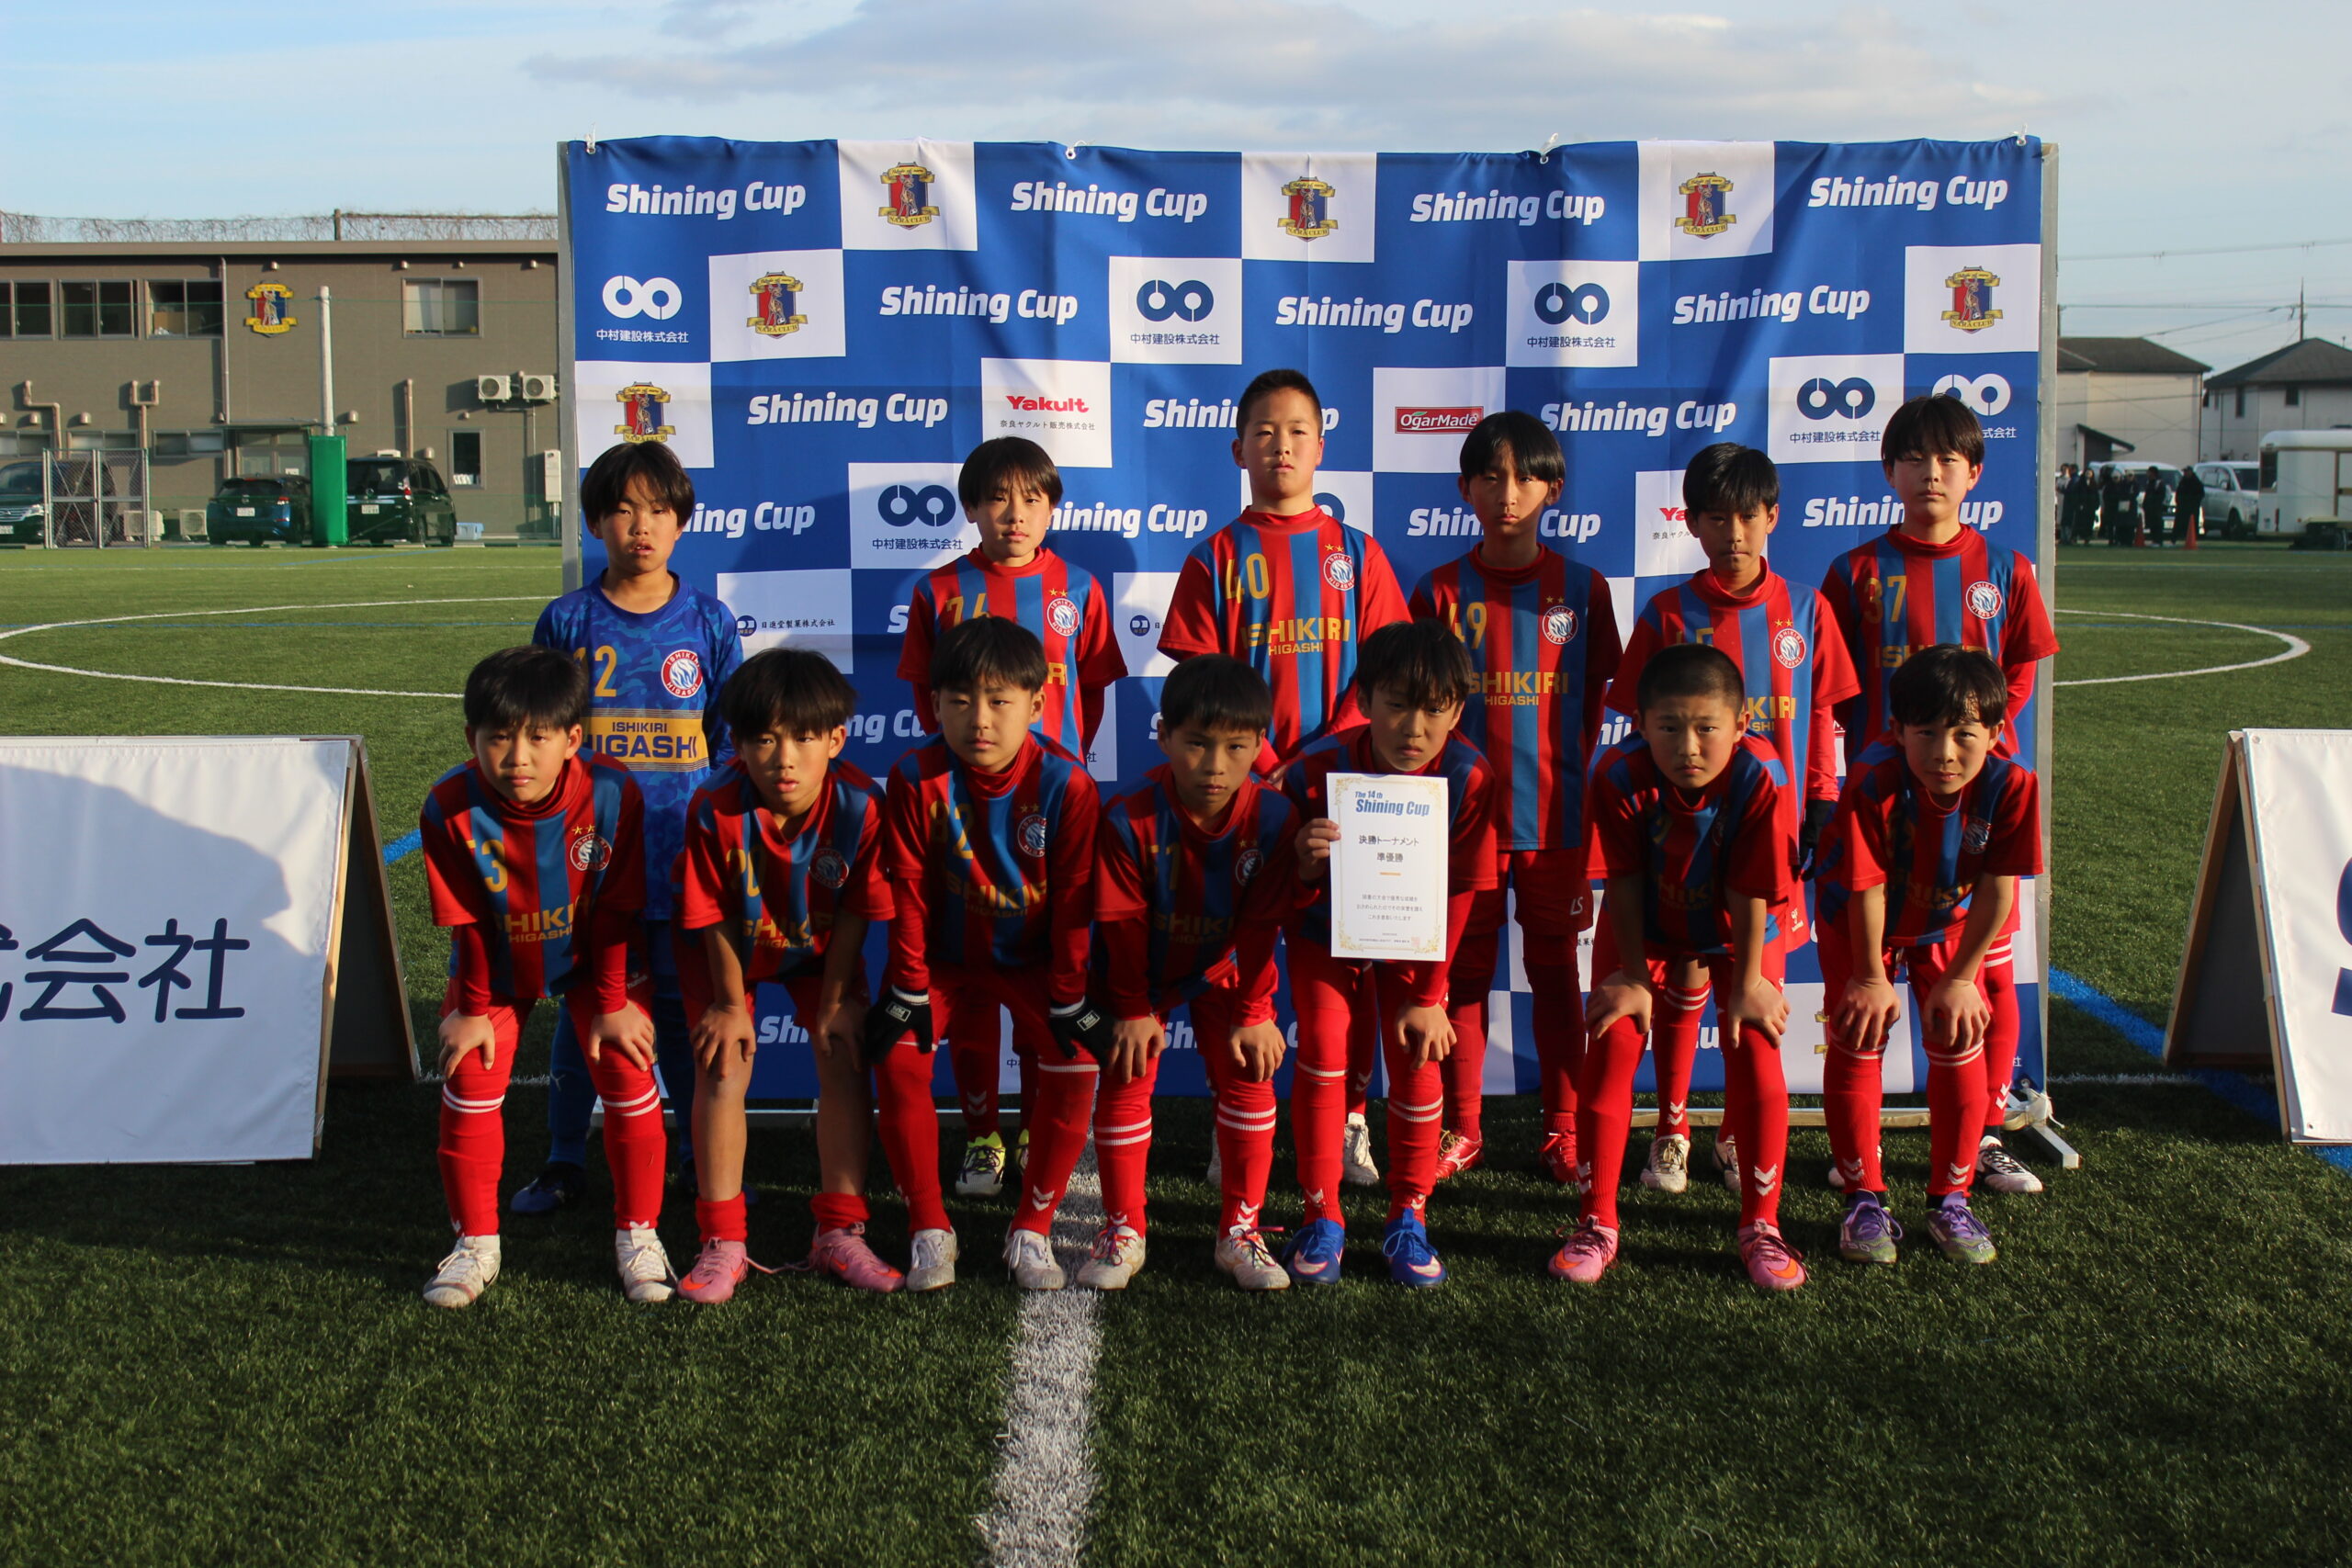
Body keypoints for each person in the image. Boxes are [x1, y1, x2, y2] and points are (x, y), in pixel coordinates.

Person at [1159, 367, 1411, 1187]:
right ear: (1238, 449)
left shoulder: (1357, 553)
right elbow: (1202, 688)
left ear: (1321, 446)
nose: (1281, 446)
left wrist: (1321, 758)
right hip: (1245, 793)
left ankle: (1351, 1118)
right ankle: (1231, 1113)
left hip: (1345, 788)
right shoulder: (1214, 557)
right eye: (1264, 432)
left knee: (1351, 962)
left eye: (1297, 430)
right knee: (1238, 960)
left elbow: (1384, 675)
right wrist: (1265, 763)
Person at [1819, 394, 2058, 1190]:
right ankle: (1862, 1168)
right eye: (1914, 458)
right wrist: (1892, 744)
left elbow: (2019, 670)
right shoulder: (1854, 571)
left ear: (1974, 472)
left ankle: (1982, 1136)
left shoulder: (2007, 568)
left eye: (1948, 459)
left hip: (1975, 808)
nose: (1931, 473)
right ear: (1889, 470)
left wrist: (1975, 741)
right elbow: (1837, 684)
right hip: (1888, 802)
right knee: (1870, 971)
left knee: (1987, 975)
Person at [1602, 443, 1855, 1196]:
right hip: (1681, 842)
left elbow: (1822, 718)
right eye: (1716, 518)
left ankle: (1735, 1133)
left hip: (1770, 839)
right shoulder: (1667, 613)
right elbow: (1639, 730)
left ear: (1772, 516)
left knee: (1752, 993)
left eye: (1747, 516)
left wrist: (1819, 803)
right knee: (1682, 984)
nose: (1733, 532)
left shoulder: (1808, 609)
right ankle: (1671, 1128)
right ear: (1692, 523)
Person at [670, 649, 952, 1301]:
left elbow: (856, 908)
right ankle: (723, 1239)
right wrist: (728, 1004)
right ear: (738, 743)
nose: (784, 759)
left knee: (843, 1049)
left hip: (822, 951)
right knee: (723, 1064)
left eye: (802, 738)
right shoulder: (713, 806)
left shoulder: (861, 804)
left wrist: (833, 999)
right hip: (727, 952)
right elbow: (710, 912)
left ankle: (840, 1231)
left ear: (836, 739)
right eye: (764, 740)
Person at [514, 440, 743, 1215]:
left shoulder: (708, 620)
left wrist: (716, 843)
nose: (640, 526)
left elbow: (728, 743)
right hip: (591, 859)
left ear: (681, 522)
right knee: (584, 1008)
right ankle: (563, 1157)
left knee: (678, 1010)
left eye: (657, 510)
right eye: (621, 510)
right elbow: (542, 735)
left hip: (680, 857)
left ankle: (692, 1152)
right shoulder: (568, 618)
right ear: (593, 524)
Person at [896, 435, 1128, 1200]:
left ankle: (1032, 1125)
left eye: (1032, 498)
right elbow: (928, 699)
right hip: (965, 811)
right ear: (970, 508)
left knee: (1042, 978)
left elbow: (1091, 694)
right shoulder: (939, 590)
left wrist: (1059, 765)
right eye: (997, 498)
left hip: (1048, 811)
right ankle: (982, 1135)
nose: (1015, 514)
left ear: (1053, 506)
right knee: (969, 988)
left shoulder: (1080, 588)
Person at [415, 647, 673, 1308]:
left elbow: (616, 906)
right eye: (499, 737)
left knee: (628, 1070)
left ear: (572, 739)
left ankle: (639, 1235)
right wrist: (472, 1008)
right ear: (470, 738)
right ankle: (476, 1243)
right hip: (498, 967)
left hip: (596, 959)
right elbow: (469, 920)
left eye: (538, 736)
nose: (518, 757)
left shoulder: (612, 792)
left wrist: (612, 1001)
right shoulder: (448, 806)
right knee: (469, 1079)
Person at [1409, 411, 1620, 1185]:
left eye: (1526, 476)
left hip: (1555, 822)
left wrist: (1566, 781)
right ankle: (1462, 1128)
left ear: (1553, 489)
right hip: (1458, 825)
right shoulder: (1437, 591)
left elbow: (1593, 706)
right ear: (1463, 488)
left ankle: (1563, 1127)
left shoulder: (1585, 590)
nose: (1508, 492)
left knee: (1556, 973)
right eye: (1490, 476)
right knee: (1462, 977)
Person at [1552, 643, 1803, 1292]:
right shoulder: (1618, 773)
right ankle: (1596, 1222)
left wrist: (1749, 982)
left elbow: (1751, 889)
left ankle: (1762, 1225)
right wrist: (1634, 977)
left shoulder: (1761, 775)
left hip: (1738, 926)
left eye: (1705, 728)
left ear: (1740, 723)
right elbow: (1624, 880)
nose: (1688, 746)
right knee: (1611, 1041)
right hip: (1647, 923)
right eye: (1668, 727)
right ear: (1640, 723)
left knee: (1757, 1045)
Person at [866, 616, 1103, 1292]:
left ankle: (1033, 1226)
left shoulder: (1068, 784)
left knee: (1078, 1060)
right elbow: (907, 890)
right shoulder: (913, 776)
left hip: (1032, 963)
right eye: (961, 700)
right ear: (934, 704)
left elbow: (1074, 905)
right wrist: (908, 985)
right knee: (896, 1055)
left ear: (1036, 703)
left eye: (1000, 700)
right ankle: (928, 1227)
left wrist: (1069, 995)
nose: (980, 719)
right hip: (943, 960)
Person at [1280, 618, 1497, 1287]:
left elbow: (1461, 890)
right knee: (1323, 1049)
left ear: (1457, 711)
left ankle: (1409, 1215)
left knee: (1418, 1051)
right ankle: (1323, 1216)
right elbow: (1284, 888)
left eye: (1434, 710)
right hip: (1325, 932)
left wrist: (1431, 996)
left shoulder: (1469, 775)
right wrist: (1304, 864)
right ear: (1365, 699)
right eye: (1397, 704)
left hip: (1414, 937)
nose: (1414, 728)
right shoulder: (1313, 770)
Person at [1816, 647, 2043, 1266]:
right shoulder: (1874, 778)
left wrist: (1963, 977)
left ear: (1995, 733)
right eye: (1927, 733)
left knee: (1958, 1032)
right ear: (1897, 730)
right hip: (1860, 922)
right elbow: (1864, 887)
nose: (1944, 751)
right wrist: (1869, 977)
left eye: (1964, 734)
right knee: (1859, 1034)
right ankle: (1864, 1199)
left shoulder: (2012, 783)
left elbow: (1998, 888)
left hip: (1945, 922)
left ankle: (1950, 1199)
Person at [1090, 655, 1299, 1291]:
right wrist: (1132, 1008)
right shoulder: (1127, 815)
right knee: (1126, 1071)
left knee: (1249, 1071)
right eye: (1197, 744)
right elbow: (1121, 927)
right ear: (1163, 737)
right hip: (1139, 973)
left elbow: (1262, 926)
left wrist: (1255, 1012)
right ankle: (1124, 1228)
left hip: (1222, 967)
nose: (1214, 765)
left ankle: (1240, 1231)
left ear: (1259, 745)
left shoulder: (1274, 818)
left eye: (1235, 747)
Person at [2174, 465, 2205, 546]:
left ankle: (2192, 539)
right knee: (2179, 523)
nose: (2185, 473)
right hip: (2182, 507)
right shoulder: (2182, 481)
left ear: (2190, 472)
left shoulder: (2196, 482)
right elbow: (2178, 492)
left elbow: (2201, 494)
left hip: (2192, 508)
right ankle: (2176, 538)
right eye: (2184, 472)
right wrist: (2178, 501)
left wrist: (2193, 502)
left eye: (2186, 472)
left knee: (2192, 524)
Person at [2141, 467, 2171, 547]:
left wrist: (2156, 504)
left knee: (2157, 524)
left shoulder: (2158, 483)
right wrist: (2145, 505)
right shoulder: (2149, 482)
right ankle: (2154, 540)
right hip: (2150, 508)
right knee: (2151, 524)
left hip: (2156, 507)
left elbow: (2160, 495)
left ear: (2153, 473)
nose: (2147, 474)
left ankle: (2158, 541)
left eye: (2149, 472)